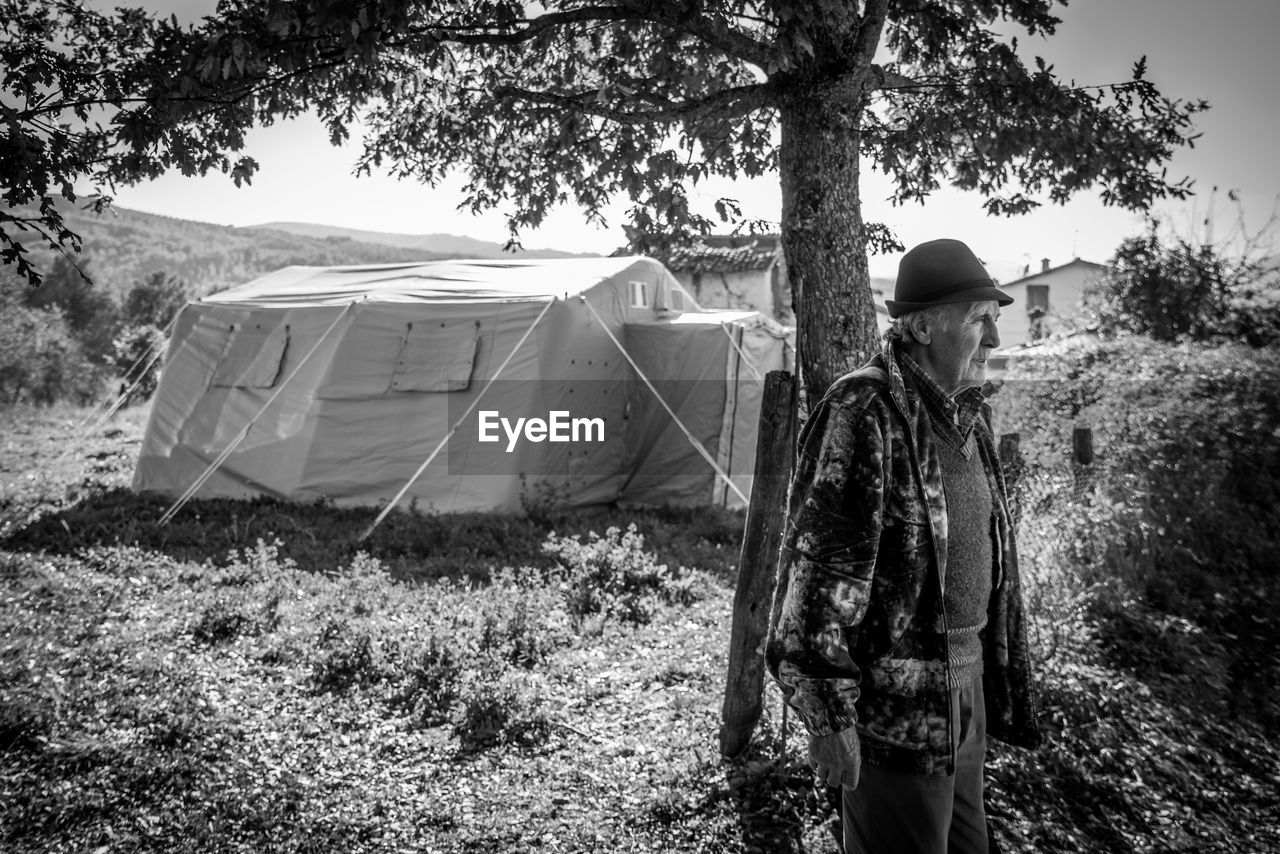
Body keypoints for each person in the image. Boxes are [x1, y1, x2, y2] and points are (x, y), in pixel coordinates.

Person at [766, 238, 1040, 854]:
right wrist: (830, 715)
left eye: (996, 320)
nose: (995, 339)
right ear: (919, 326)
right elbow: (817, 573)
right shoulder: (864, 410)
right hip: (895, 710)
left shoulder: (967, 416)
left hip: (964, 696)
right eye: (978, 320)